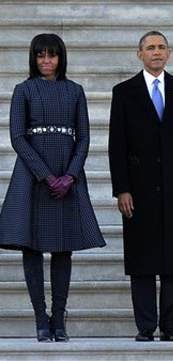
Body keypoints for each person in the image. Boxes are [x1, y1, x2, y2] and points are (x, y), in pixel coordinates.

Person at [0, 34, 106, 342]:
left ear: (61, 58)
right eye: (41, 56)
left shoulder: (75, 91)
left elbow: (83, 138)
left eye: (53, 55)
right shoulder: (24, 90)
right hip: (33, 176)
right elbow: (18, 137)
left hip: (67, 173)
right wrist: (46, 176)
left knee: (63, 249)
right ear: (33, 59)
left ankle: (59, 319)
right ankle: (40, 319)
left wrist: (70, 175)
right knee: (31, 248)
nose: (47, 61)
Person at [108, 31, 173, 342]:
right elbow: (116, 145)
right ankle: (146, 326)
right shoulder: (124, 92)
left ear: (169, 53)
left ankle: (171, 327)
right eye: (150, 48)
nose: (156, 52)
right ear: (139, 54)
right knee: (143, 260)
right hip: (139, 191)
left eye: (161, 47)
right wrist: (121, 188)